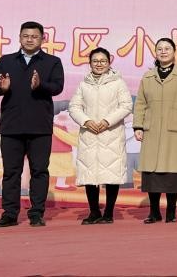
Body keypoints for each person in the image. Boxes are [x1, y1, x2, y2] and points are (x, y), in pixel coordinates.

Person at [0, 21, 65, 228]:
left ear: (43, 39)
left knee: (39, 171)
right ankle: (9, 214)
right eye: (26, 36)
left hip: (40, 127)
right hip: (11, 126)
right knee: (11, 172)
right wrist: (1, 88)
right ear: (20, 37)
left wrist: (40, 85)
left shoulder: (52, 62)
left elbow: (57, 87)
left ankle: (36, 213)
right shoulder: (7, 60)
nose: (30, 40)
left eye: (34, 36)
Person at [133, 37, 177, 223]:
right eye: (159, 49)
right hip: (151, 130)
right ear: (155, 53)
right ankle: (154, 212)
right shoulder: (148, 76)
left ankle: (170, 212)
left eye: (167, 48)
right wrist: (138, 126)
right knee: (151, 172)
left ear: (174, 52)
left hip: (175, 130)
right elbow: (140, 103)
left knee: (172, 171)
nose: (163, 52)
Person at [68, 47, 133, 224]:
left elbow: (126, 106)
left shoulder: (118, 83)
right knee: (90, 174)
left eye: (103, 61)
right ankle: (94, 212)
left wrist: (107, 121)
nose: (99, 64)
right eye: (95, 61)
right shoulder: (84, 85)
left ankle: (109, 213)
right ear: (90, 63)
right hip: (89, 134)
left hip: (111, 133)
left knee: (112, 173)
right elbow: (74, 107)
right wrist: (86, 121)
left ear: (109, 62)